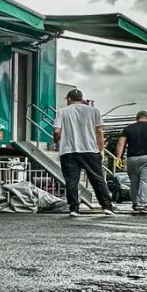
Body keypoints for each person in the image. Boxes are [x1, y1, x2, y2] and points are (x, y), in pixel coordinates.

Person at [53, 89, 116, 217]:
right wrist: (101, 150)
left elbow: (57, 132)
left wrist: (57, 142)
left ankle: (74, 209)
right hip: (90, 150)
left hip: (69, 151)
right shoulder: (94, 111)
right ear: (81, 98)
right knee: (97, 179)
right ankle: (107, 206)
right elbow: (99, 132)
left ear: (69, 99)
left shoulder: (62, 112)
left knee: (72, 181)